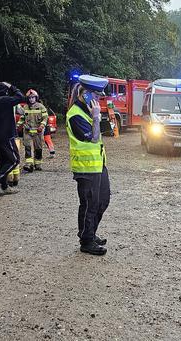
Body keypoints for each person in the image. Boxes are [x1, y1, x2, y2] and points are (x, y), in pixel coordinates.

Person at [67, 75, 111, 256]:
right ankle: (86, 241)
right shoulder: (75, 115)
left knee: (103, 200)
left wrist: (99, 119)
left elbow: (102, 133)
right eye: (96, 96)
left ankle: (89, 232)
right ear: (84, 94)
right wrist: (95, 117)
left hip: (98, 164)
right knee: (89, 204)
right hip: (85, 168)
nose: (98, 100)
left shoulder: (85, 111)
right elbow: (93, 137)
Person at [20, 89, 48, 172]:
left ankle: (38, 164)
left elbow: (45, 118)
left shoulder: (41, 106)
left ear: (36, 98)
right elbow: (22, 118)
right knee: (27, 147)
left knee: (38, 148)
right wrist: (17, 126)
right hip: (27, 131)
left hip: (38, 131)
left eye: (33, 97)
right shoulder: (25, 107)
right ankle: (29, 164)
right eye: (29, 98)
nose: (31, 99)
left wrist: (42, 126)